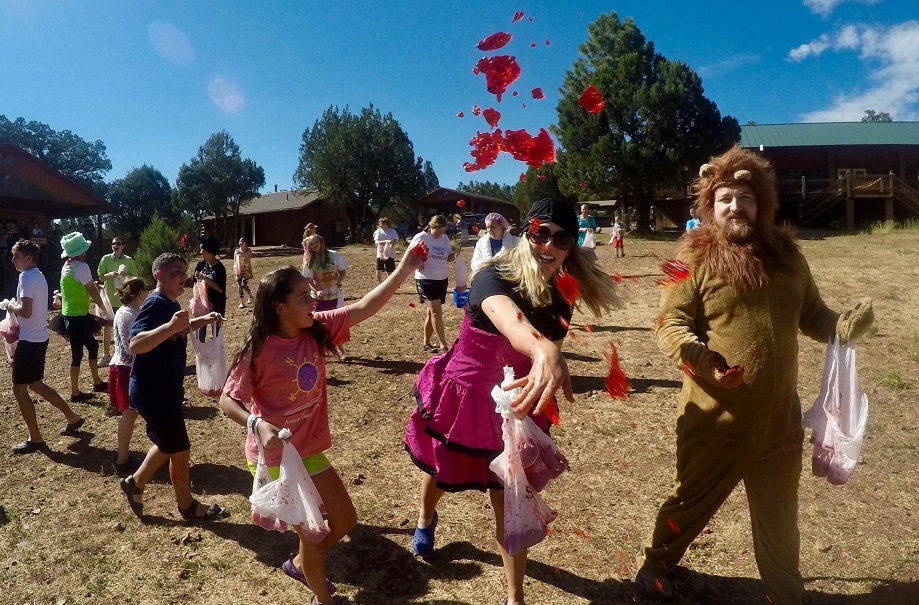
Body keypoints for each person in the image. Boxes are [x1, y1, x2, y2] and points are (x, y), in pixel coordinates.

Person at [635, 146, 875, 604]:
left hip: (779, 425)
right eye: (724, 198)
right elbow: (669, 324)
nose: (735, 207)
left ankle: (787, 596)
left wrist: (843, 326)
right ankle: (655, 566)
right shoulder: (691, 256)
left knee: (781, 523)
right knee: (689, 504)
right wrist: (703, 361)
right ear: (710, 204)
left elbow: (814, 315)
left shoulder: (789, 258)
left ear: (761, 203)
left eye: (744, 197)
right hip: (715, 421)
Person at [405, 198, 620, 605]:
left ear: (571, 245)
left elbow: (550, 345)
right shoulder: (494, 277)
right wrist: (542, 351)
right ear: (527, 234)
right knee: (439, 473)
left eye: (562, 238)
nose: (549, 245)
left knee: (510, 498)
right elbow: (513, 324)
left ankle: (514, 597)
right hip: (465, 396)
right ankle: (425, 517)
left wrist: (552, 363)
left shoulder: (562, 295)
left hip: (514, 402)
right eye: (541, 233)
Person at [218, 248, 424, 605]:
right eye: (303, 296)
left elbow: (366, 306)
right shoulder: (259, 351)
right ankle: (322, 599)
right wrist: (256, 423)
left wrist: (405, 267)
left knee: (344, 520)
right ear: (280, 308)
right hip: (277, 457)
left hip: (308, 451)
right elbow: (226, 400)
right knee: (313, 534)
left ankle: (301, 564)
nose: (313, 300)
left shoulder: (314, 329)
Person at [119, 253, 224, 521]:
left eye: (184, 271)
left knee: (168, 444)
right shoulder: (156, 303)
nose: (183, 277)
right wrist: (169, 326)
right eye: (176, 272)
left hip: (162, 389)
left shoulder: (170, 302)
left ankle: (135, 483)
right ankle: (187, 506)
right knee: (179, 448)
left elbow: (179, 329)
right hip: (154, 391)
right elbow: (135, 344)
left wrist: (203, 320)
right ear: (159, 276)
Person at [5, 239, 85, 454]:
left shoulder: (27, 276)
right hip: (39, 337)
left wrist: (10, 306)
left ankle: (36, 438)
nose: (13, 260)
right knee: (36, 384)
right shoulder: (38, 276)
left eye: (17, 256)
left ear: (28, 258)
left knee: (19, 388)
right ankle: (72, 417)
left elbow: (26, 310)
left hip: (30, 341)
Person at [59, 232, 109, 402]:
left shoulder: (67, 266)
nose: (85, 253)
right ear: (79, 252)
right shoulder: (82, 267)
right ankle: (75, 392)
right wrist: (102, 307)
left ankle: (96, 382)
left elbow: (78, 286)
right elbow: (92, 290)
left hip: (71, 314)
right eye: (83, 250)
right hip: (77, 316)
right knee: (77, 353)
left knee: (92, 346)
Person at [108, 277, 148, 475]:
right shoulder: (126, 314)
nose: (147, 294)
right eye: (145, 291)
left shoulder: (134, 312)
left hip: (131, 367)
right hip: (125, 368)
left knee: (132, 413)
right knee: (129, 413)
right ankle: (122, 458)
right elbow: (128, 346)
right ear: (138, 292)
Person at [409, 215, 455, 353]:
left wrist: (455, 254)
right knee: (436, 311)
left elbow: (448, 257)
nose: (442, 232)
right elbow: (409, 254)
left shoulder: (445, 239)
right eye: (439, 230)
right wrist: (418, 261)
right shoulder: (421, 237)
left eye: (443, 229)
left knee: (431, 312)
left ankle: (426, 343)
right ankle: (443, 345)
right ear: (432, 227)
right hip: (425, 279)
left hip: (441, 279)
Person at [302, 234, 348, 359]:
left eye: (316, 242)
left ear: (322, 242)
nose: (314, 246)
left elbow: (343, 271)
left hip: (335, 294)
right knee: (318, 323)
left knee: (336, 320)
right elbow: (308, 279)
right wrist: (316, 291)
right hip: (319, 297)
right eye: (311, 244)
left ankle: (339, 347)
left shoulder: (334, 255)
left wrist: (338, 281)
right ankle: (320, 349)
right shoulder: (309, 260)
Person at [97, 236, 139, 366]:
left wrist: (125, 274)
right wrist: (110, 275)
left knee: (127, 328)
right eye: (114, 243)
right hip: (110, 300)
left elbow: (135, 278)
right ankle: (105, 355)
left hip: (125, 300)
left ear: (123, 246)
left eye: (119, 243)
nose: (116, 245)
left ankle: (128, 354)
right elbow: (100, 277)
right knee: (107, 328)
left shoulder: (129, 260)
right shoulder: (105, 259)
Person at [195, 234, 227, 318]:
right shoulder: (200, 265)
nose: (200, 252)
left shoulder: (219, 268)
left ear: (210, 251)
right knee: (200, 328)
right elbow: (195, 283)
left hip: (216, 304)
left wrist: (204, 278)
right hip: (202, 304)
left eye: (202, 249)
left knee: (216, 329)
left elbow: (220, 289)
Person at [373, 217, 399, 284]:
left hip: (390, 254)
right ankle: (380, 284)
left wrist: (390, 244)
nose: (380, 225)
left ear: (385, 223)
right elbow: (377, 242)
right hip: (380, 253)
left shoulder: (392, 231)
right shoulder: (378, 231)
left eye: (381, 223)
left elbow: (394, 241)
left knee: (390, 271)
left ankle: (389, 284)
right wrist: (387, 241)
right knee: (379, 269)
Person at [234, 237, 254, 308]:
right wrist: (236, 273)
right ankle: (242, 302)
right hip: (239, 271)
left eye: (243, 241)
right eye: (240, 241)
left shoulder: (248, 250)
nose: (241, 243)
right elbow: (235, 262)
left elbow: (248, 259)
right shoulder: (236, 251)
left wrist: (242, 253)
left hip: (246, 271)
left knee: (243, 284)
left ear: (245, 243)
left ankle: (251, 296)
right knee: (239, 287)